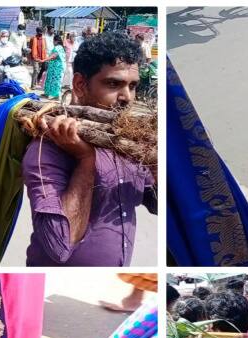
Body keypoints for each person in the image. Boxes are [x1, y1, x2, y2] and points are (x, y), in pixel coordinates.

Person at [21, 32, 155, 266]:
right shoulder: (47, 147)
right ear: (80, 84)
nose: (126, 97)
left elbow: (156, 204)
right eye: (113, 84)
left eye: (132, 86)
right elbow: (61, 246)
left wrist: (156, 162)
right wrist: (86, 159)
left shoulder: (127, 141)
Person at [40, 34, 66, 99]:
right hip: (54, 67)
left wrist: (43, 60)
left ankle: (57, 96)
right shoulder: (61, 47)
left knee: (56, 81)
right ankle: (47, 93)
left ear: (56, 41)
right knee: (49, 80)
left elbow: (53, 56)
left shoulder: (58, 48)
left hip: (57, 68)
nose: (53, 42)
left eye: (53, 41)